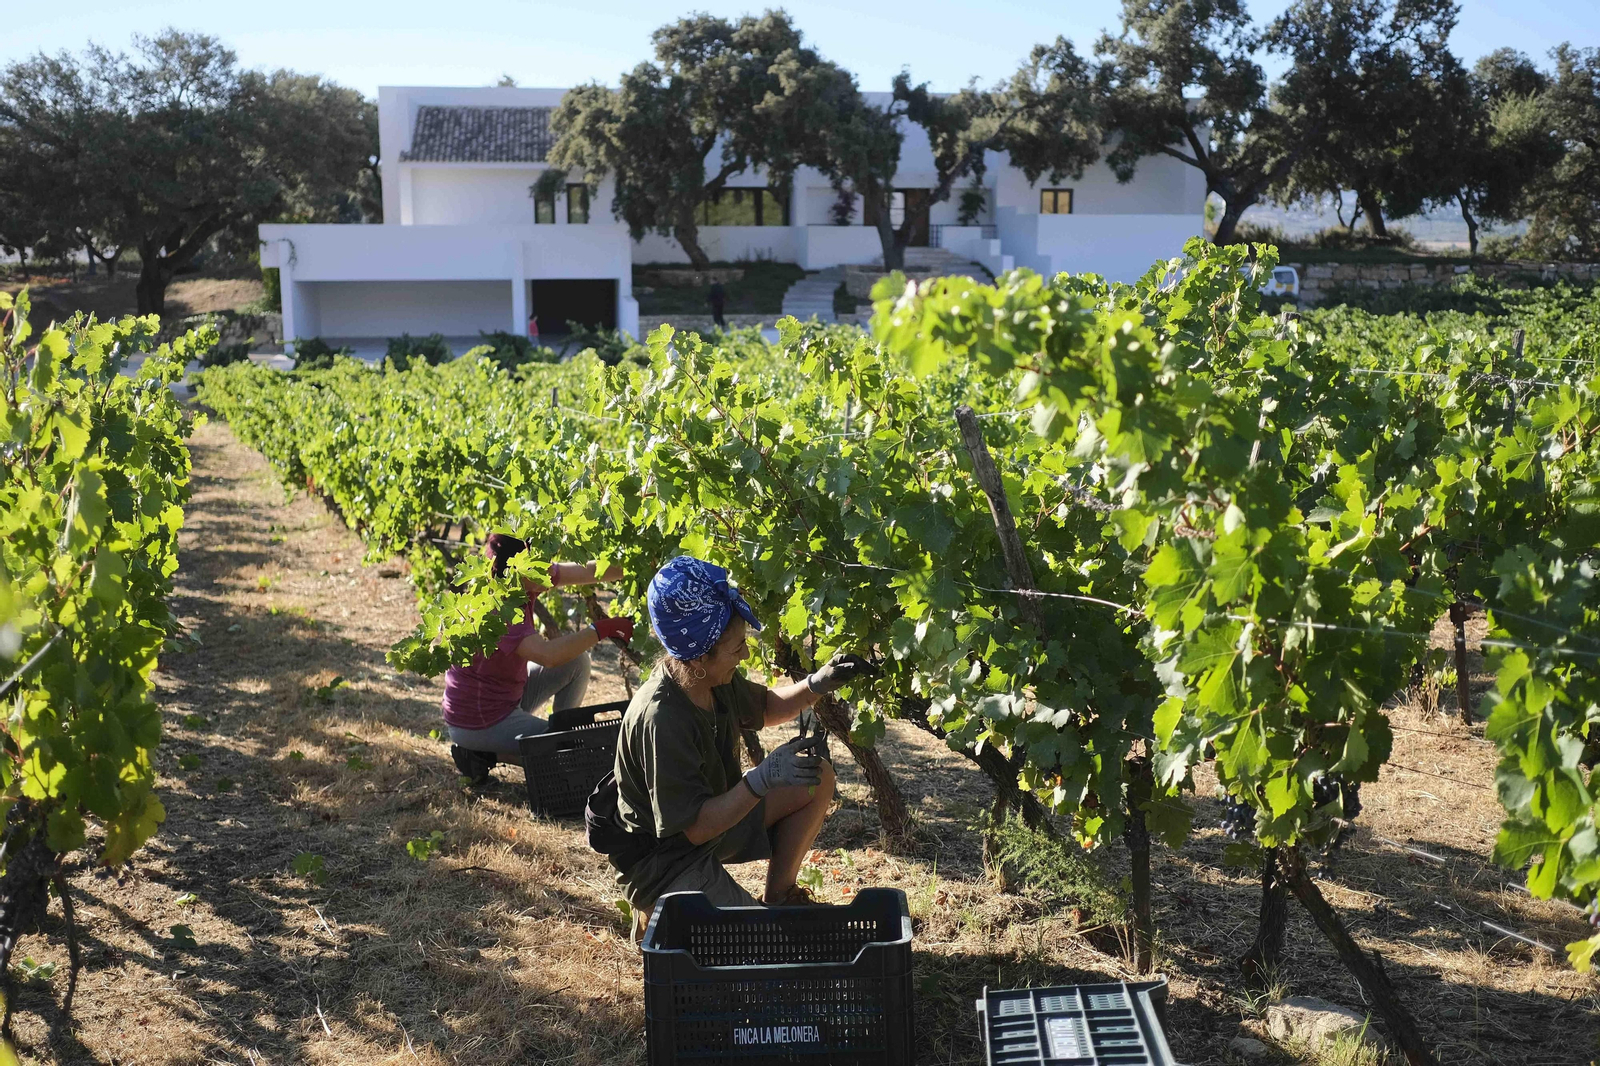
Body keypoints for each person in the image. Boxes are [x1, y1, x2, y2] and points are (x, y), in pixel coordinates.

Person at [606, 556, 872, 926]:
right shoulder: (662, 718)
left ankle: (780, 897)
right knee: (763, 943)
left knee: (816, 777)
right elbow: (695, 828)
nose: (745, 653)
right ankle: (658, 914)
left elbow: (767, 707)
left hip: (714, 826)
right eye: (736, 648)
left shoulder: (712, 681)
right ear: (698, 657)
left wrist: (818, 683)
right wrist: (761, 779)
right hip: (667, 862)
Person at [443, 533, 633, 785]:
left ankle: (562, 734)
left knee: (577, 662)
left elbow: (587, 571)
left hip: (508, 696)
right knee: (572, 760)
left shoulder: (523, 578)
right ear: (516, 570)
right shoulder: (499, 607)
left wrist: (634, 568)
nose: (549, 570)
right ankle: (480, 752)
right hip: (479, 720)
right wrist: (601, 629)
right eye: (539, 565)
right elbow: (549, 656)